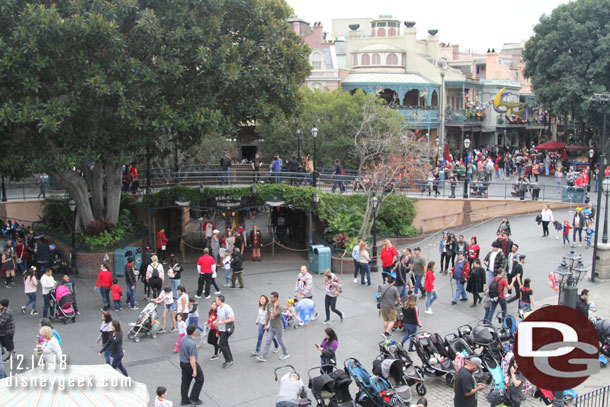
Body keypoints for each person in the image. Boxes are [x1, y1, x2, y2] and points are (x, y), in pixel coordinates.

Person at [257, 291, 290, 362]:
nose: (270, 298)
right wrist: (266, 324)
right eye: (270, 297)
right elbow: (268, 315)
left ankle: (286, 353)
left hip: (278, 327)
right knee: (268, 341)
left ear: (276, 298)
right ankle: (264, 357)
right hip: (271, 327)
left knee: (280, 341)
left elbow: (275, 314)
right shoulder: (269, 304)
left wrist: (275, 307)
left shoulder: (280, 306)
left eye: (272, 297)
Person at [179, 325, 204, 406]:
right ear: (194, 332)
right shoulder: (191, 343)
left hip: (182, 362)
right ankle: (194, 398)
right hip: (189, 364)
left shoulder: (183, 339)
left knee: (185, 381)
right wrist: (194, 370)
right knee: (200, 379)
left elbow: (184, 348)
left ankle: (184, 399)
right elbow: (192, 358)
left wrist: (194, 347)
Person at [215, 295, 235, 369]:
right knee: (225, 344)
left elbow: (232, 319)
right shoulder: (218, 308)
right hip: (221, 328)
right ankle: (229, 359)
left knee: (222, 344)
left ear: (220, 301)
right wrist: (216, 321)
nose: (216, 301)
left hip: (226, 329)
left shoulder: (227, 308)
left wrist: (222, 322)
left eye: (217, 300)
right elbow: (218, 317)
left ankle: (228, 360)